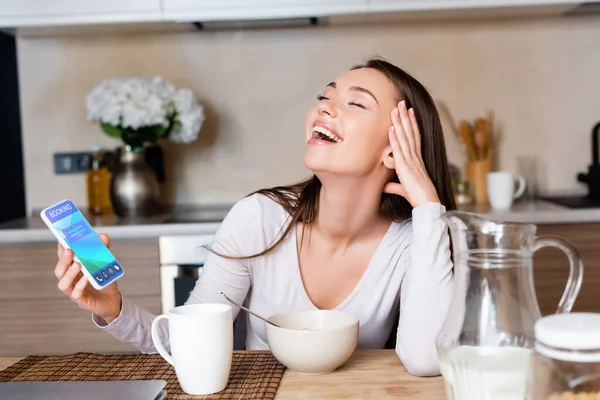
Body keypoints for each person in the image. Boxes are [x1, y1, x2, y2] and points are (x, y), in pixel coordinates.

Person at [53, 57, 456, 377]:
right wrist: (113, 309)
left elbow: (424, 360)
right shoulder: (258, 219)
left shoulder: (414, 239)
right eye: (325, 95)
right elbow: (185, 344)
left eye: (355, 103)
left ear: (395, 150)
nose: (324, 107)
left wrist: (427, 208)